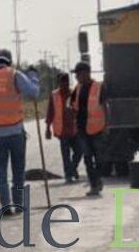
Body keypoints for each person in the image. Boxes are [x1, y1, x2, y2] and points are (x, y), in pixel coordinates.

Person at [0, 49, 40, 214]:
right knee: (18, 170)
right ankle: (18, 204)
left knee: (1, 170)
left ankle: (5, 206)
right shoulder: (14, 75)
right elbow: (33, 93)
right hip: (16, 131)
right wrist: (33, 76)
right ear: (9, 62)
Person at [70, 61, 109, 196]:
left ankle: (98, 180)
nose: (76, 77)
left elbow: (105, 107)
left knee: (99, 159)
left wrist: (106, 125)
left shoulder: (99, 87)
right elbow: (73, 107)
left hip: (97, 129)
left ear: (86, 73)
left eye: (78, 74)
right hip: (82, 129)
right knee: (87, 158)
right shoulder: (77, 89)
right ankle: (94, 185)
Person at [44, 72, 83, 183]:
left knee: (79, 151)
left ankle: (72, 169)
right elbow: (50, 112)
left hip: (74, 129)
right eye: (61, 82)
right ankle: (68, 175)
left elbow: (79, 109)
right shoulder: (54, 95)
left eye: (65, 82)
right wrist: (47, 128)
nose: (64, 85)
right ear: (58, 83)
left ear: (68, 83)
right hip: (61, 130)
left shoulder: (73, 94)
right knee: (65, 154)